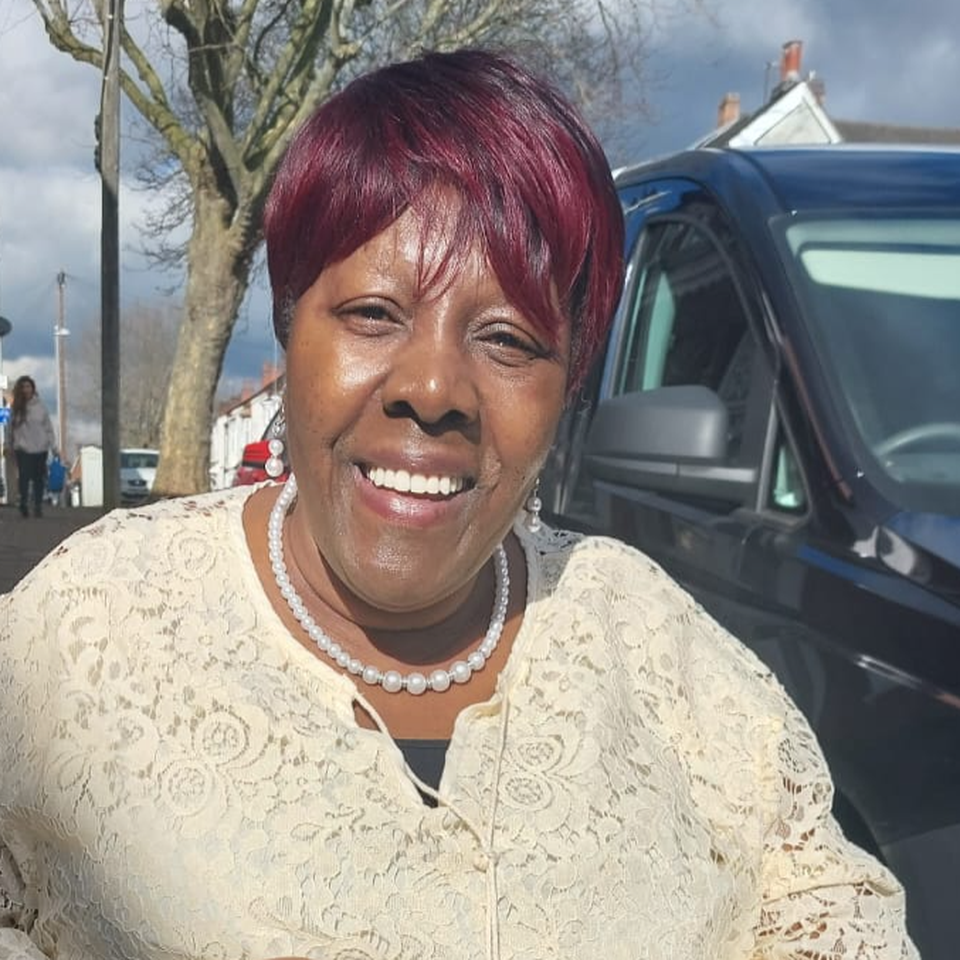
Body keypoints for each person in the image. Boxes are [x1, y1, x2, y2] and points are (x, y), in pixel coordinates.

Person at [0, 49, 916, 960]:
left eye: (509, 338)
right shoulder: (89, 634)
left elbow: (831, 910)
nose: (434, 388)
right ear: (288, 327)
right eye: (373, 313)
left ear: (568, 386)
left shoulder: (652, 646)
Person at [9, 374, 56, 518]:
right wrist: (10, 445)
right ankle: (23, 503)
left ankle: (37, 506)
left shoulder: (40, 406)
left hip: (40, 448)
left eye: (28, 386)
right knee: (24, 477)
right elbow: (10, 428)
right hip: (22, 448)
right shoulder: (16, 407)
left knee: (38, 479)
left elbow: (48, 427)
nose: (26, 390)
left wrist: (53, 445)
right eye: (23, 387)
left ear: (33, 388)